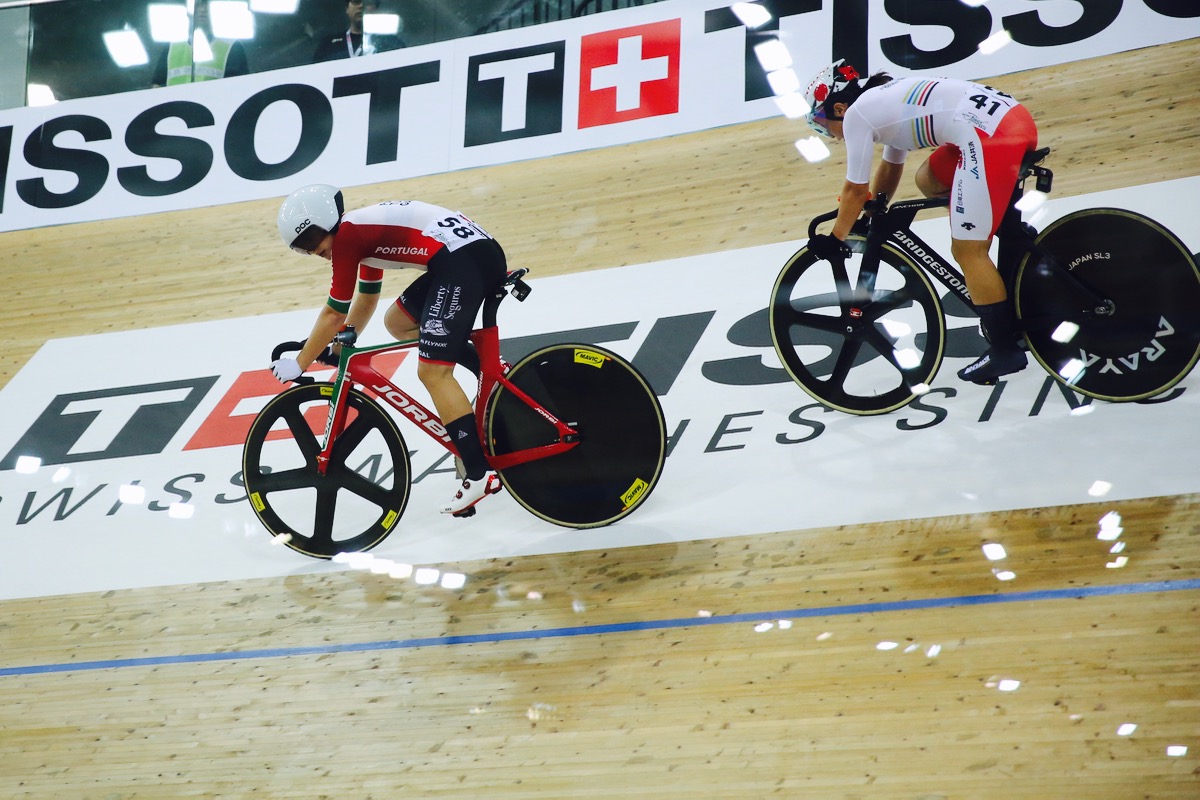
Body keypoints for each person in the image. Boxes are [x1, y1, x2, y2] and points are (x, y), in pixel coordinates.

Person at [273, 185, 507, 515]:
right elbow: (365, 300)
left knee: (432, 372)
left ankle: (479, 474)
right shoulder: (359, 235)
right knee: (398, 322)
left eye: (312, 241)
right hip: (467, 254)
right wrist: (340, 345)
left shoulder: (349, 237)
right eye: (303, 249)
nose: (314, 252)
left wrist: (301, 361)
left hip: (461, 260)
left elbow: (333, 312)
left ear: (327, 222)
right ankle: (490, 368)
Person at [802, 60, 1039, 384]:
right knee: (928, 179)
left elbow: (855, 190)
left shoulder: (857, 115)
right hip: (1012, 120)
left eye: (822, 124)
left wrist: (835, 239)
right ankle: (1002, 234)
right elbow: (890, 168)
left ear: (840, 108)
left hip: (989, 137)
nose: (830, 135)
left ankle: (1004, 349)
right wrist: (877, 208)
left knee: (968, 251)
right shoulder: (884, 99)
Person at [152, 0, 250, 86]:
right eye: (197, 4)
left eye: (206, 4)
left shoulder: (233, 47)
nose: (202, 9)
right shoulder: (171, 45)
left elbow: (240, 89)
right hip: (173, 107)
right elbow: (156, 88)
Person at [313, 0, 405, 62]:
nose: (361, 6)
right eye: (356, 1)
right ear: (347, 8)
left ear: (375, 9)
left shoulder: (392, 43)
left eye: (367, 2)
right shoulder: (329, 45)